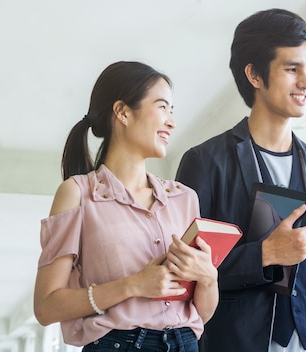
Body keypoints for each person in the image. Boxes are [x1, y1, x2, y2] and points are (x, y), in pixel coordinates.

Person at [175, 8, 306, 352]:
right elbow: (185, 273)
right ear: (255, 76)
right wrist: (264, 253)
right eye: (291, 69)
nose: (305, 82)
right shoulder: (204, 163)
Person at [33, 61, 218, 352]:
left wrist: (209, 278)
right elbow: (46, 307)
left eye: (172, 111)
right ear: (122, 112)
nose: (171, 122)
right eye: (162, 107)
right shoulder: (77, 193)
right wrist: (133, 285)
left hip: (185, 343)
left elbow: (201, 314)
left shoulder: (185, 199)